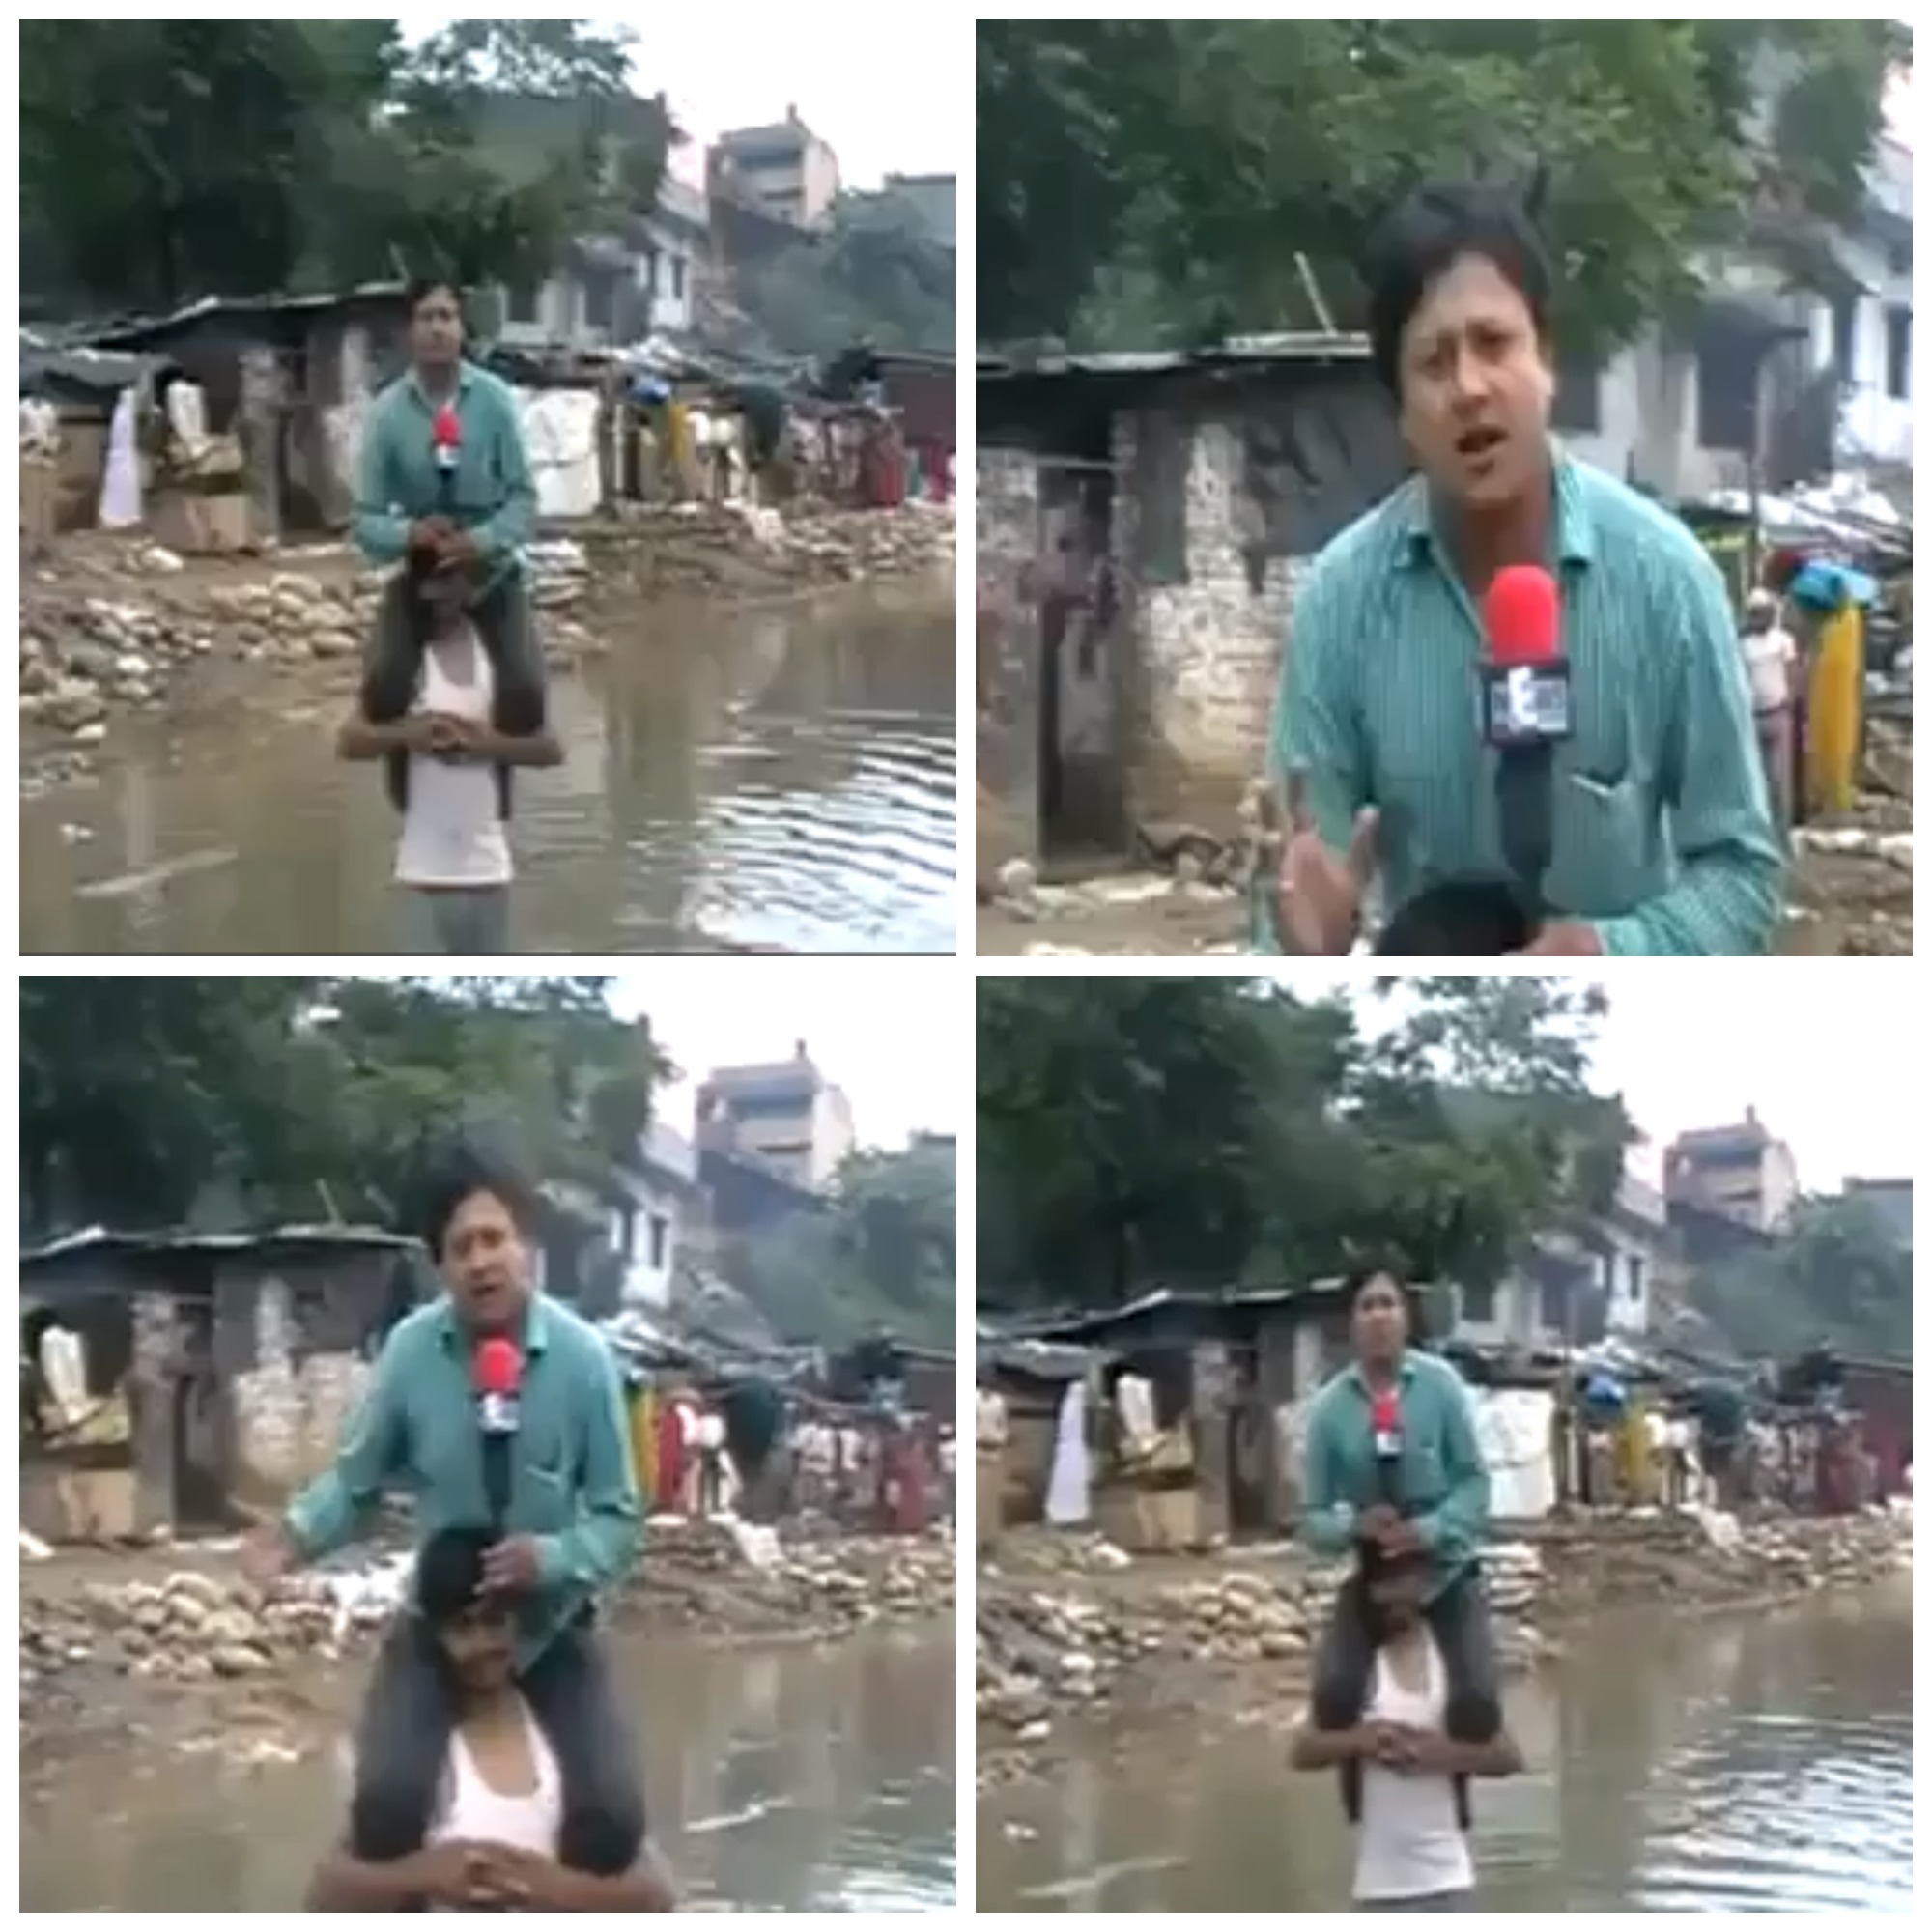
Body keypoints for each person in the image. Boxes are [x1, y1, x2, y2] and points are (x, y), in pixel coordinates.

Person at [1266, 178, 1784, 958]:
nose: (1470, 387)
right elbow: (1298, 890)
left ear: (1547, 360)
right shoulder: (1340, 606)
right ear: (1402, 412)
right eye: (1434, 362)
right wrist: (1312, 958)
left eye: (1494, 344)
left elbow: (1743, 876)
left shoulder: (1669, 580)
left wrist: (1615, 953)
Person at [243, 1144, 647, 1900]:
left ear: (526, 1244)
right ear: (440, 1265)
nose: (481, 1262)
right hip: (441, 1616)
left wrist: (554, 1559)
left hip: (553, 1621)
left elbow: (620, 1519)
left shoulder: (585, 1361)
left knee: (613, 1821)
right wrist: (293, 1535)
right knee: (386, 1807)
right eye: (460, 1247)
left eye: (494, 1239)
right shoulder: (409, 1353)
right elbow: (357, 1481)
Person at [306, 1526, 675, 1911]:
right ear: (436, 1635)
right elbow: (323, 1894)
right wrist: (425, 1876)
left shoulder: (563, 1732)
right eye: (464, 1626)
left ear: (518, 1622)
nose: (484, 1644)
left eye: (495, 1621)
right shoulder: (408, 1756)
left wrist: (558, 1889)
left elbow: (659, 1896)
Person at [349, 277, 554, 943]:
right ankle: (409, 794)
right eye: (426, 317)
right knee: (383, 682)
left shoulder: (492, 401)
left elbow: (523, 501)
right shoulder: (386, 414)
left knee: (523, 682)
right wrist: (409, 535)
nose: (437, 327)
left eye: (448, 316)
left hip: (490, 570)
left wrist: (484, 540)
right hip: (419, 566)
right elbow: (364, 520)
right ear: (410, 331)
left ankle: (496, 789)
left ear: (462, 328)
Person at [1303, 1271, 1500, 1796]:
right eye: (1366, 1305)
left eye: (1389, 1303)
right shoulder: (1327, 1411)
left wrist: (1431, 1529)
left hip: (1445, 1571)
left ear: (1407, 1317)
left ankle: (1453, 1794)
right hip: (1375, 1576)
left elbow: (1475, 1484)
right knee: (1334, 1693)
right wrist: (1352, 1525)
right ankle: (1357, 1792)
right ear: (1350, 1322)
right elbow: (1312, 1517)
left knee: (1477, 1700)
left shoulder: (1441, 1387)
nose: (1379, 1315)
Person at [338, 546, 560, 953]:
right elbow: (350, 741)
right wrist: (410, 735)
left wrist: (485, 744)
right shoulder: (402, 664)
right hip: (419, 872)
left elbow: (550, 749)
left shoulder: (501, 662)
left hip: (490, 870)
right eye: (432, 581)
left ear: (473, 586)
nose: (440, 594)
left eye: (451, 580)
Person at [1292, 1541, 1523, 1911]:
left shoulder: (1453, 1666)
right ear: (1371, 1591)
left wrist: (1438, 1754)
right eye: (1387, 1585)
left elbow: (1508, 1757)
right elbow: (1301, 1751)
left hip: (1450, 1883)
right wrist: (1363, 1741)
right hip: (1376, 1890)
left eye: (1407, 1584)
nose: (1398, 1599)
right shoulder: (1355, 1670)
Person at [1740, 587, 1798, 828]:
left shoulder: (1783, 640)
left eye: (1764, 613)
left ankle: (1783, 827)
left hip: (1777, 714)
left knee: (1778, 778)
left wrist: (1791, 697)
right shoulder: (1743, 644)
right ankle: (1761, 828)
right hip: (1752, 718)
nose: (1760, 618)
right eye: (1755, 614)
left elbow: (1792, 671)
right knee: (1756, 778)